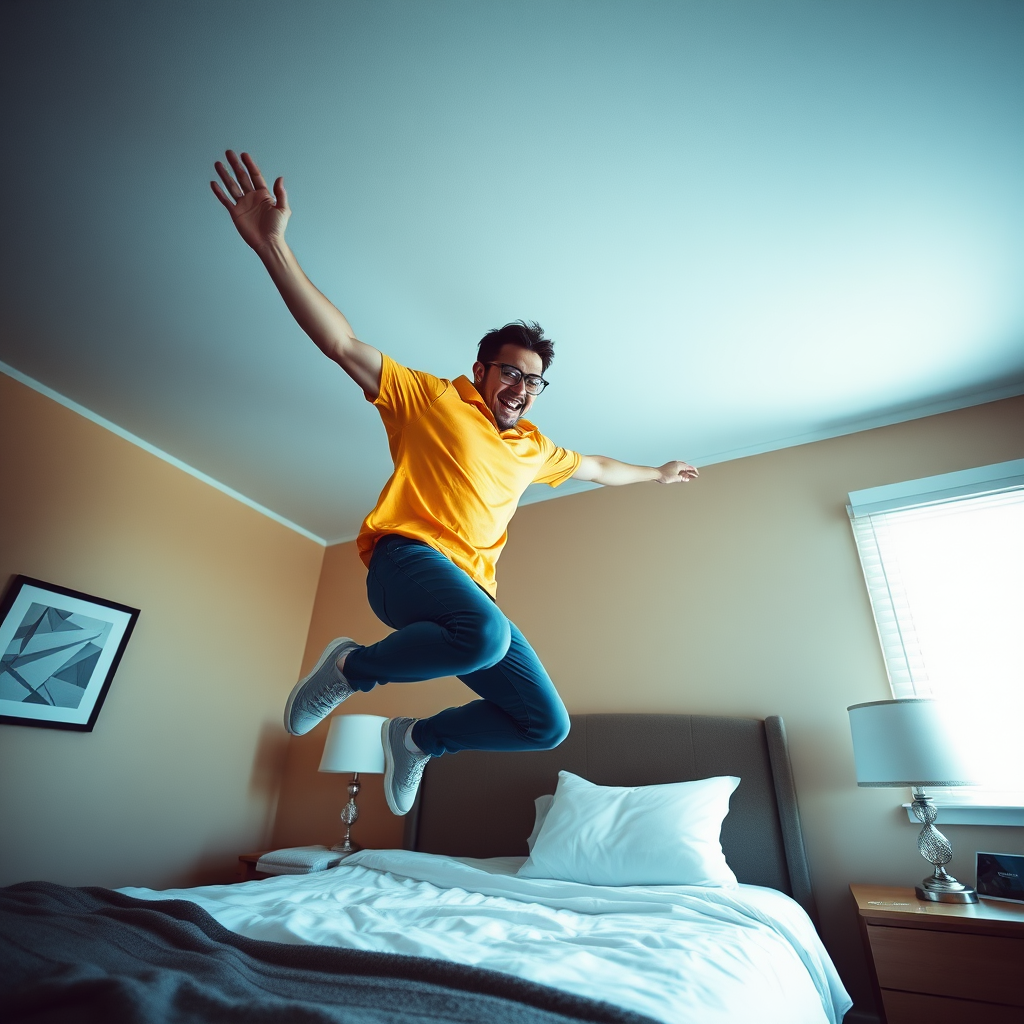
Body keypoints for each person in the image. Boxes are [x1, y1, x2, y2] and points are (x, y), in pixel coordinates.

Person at [211, 150, 699, 817]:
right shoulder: (433, 399)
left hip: (469, 600)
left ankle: (417, 738)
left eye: (533, 379)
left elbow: (601, 468)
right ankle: (351, 668)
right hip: (405, 561)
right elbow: (343, 344)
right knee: (487, 635)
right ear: (480, 369)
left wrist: (659, 474)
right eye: (510, 371)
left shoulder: (535, 448)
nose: (521, 387)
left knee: (544, 725)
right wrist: (274, 248)